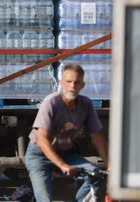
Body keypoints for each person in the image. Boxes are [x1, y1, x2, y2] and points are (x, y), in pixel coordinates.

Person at [24, 63, 109, 202]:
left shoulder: (86, 104)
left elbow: (97, 137)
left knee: (97, 176)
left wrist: (109, 164)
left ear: (82, 85)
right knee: (45, 199)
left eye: (77, 82)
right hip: (39, 155)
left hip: (66, 153)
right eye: (69, 82)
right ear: (61, 83)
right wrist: (62, 165)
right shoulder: (51, 102)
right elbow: (42, 140)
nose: (72, 86)